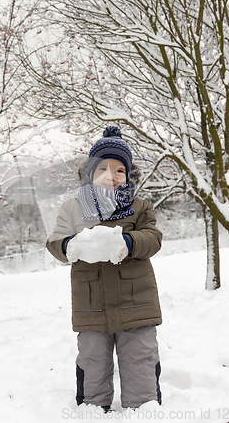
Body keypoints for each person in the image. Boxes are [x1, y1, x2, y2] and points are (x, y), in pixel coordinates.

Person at [46, 126, 163, 412]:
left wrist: (128, 242)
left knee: (140, 358)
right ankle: (93, 410)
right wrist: (70, 246)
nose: (111, 175)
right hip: (91, 305)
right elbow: (55, 241)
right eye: (103, 168)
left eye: (119, 170)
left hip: (136, 302)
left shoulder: (139, 207)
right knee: (92, 359)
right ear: (89, 174)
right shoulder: (72, 208)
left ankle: (143, 409)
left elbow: (153, 237)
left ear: (128, 175)